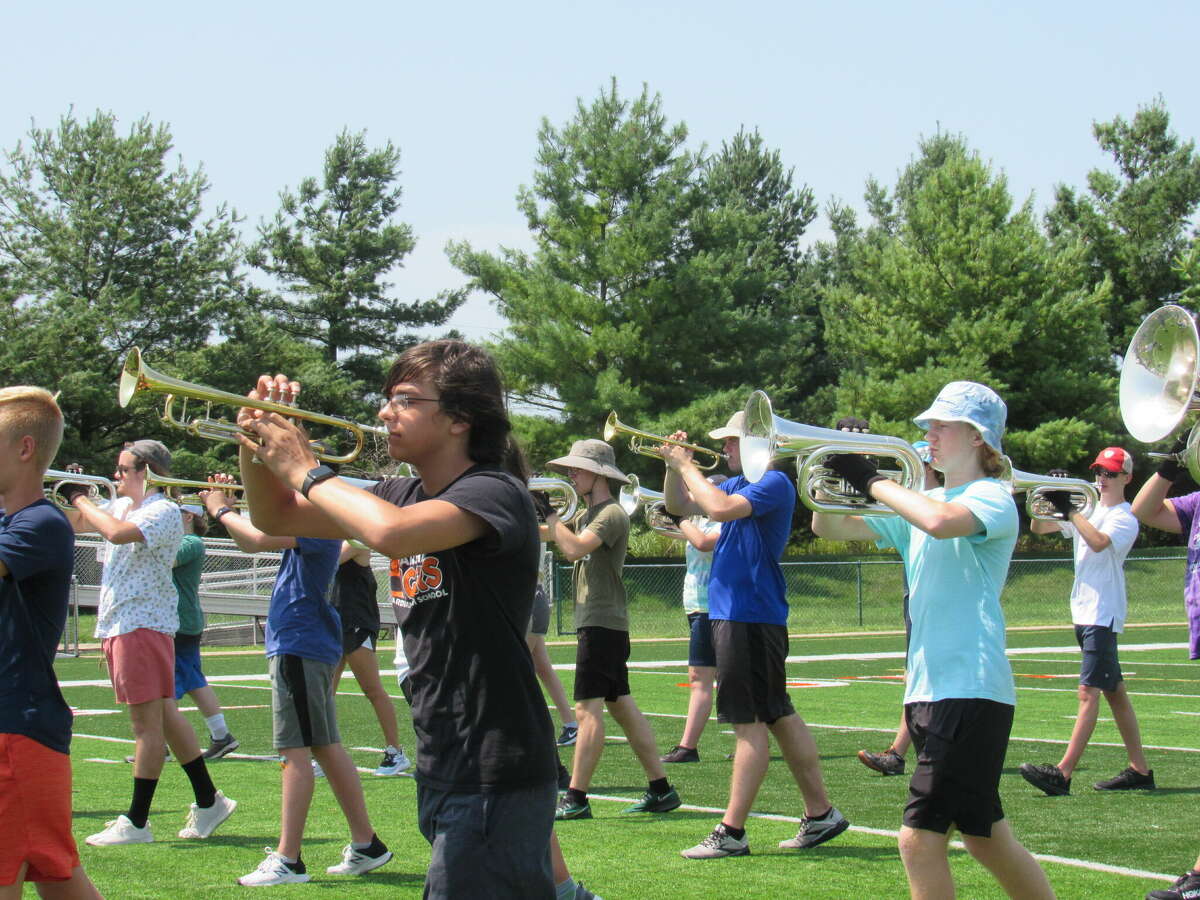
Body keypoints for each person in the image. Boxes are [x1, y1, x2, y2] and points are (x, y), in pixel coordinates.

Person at [234, 340, 557, 898]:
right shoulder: (399, 490)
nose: (385, 412)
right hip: (445, 752)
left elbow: (391, 534)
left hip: (494, 758)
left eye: (405, 400)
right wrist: (257, 439)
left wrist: (305, 465)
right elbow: (271, 516)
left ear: (459, 418)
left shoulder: (495, 492)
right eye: (388, 399)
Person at [812, 381, 1054, 899]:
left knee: (917, 842)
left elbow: (941, 522)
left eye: (942, 425)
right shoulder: (924, 502)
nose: (929, 434)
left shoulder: (992, 497)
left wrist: (872, 477)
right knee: (986, 839)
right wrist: (835, 465)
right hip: (930, 689)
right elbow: (830, 526)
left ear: (977, 436)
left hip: (969, 687)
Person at [661, 411, 848, 860]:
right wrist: (672, 467)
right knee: (779, 714)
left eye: (730, 442)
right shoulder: (734, 483)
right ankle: (821, 814)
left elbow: (718, 511)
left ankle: (732, 831)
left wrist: (687, 465)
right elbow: (680, 507)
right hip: (740, 612)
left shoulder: (774, 483)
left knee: (748, 723)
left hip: (748, 613)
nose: (723, 449)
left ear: (755, 444)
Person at [201, 478, 390, 886]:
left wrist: (220, 508)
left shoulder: (321, 521)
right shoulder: (319, 522)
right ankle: (367, 844)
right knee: (325, 746)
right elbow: (266, 519)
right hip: (305, 640)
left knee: (294, 751)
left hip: (298, 640)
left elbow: (253, 539)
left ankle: (289, 858)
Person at [65, 440, 236, 847]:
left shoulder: (162, 511)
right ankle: (209, 801)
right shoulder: (127, 505)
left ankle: (137, 822)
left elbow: (116, 534)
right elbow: (80, 524)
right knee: (165, 716)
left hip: (141, 623)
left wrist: (79, 496)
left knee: (145, 728)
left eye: (123, 470)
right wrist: (63, 491)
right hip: (126, 622)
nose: (116, 476)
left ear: (147, 473)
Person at [541, 439, 681, 822]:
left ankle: (576, 796)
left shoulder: (611, 514)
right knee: (622, 707)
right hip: (602, 622)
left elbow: (573, 549)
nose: (570, 474)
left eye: (577, 469)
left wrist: (553, 520)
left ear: (599, 474)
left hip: (602, 623)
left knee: (587, 711)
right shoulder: (588, 514)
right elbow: (554, 537)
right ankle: (661, 789)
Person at [0, 387, 103, 900]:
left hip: (15, 728)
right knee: (60, 879)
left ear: (23, 449)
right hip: (18, 728)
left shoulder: (39, 523)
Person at [1018, 446, 1153, 796]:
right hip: (1084, 611)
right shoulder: (1088, 510)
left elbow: (1096, 542)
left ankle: (1062, 773)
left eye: (1110, 473)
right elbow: (1039, 526)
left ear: (1127, 478)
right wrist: (1047, 494)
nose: (1102, 479)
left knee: (1087, 692)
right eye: (1098, 472)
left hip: (1102, 613)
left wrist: (1071, 508)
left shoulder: (1124, 516)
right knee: (1115, 693)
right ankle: (1140, 769)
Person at [857, 438, 939, 778]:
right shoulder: (905, 513)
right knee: (916, 671)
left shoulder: (950, 504)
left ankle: (901, 751)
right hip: (916, 596)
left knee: (925, 672)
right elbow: (828, 528)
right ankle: (899, 751)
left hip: (943, 605)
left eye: (915, 468)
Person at [657, 474, 724, 764]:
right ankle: (753, 736)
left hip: (713, 606)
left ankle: (688, 746)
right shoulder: (699, 519)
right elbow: (685, 532)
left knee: (701, 677)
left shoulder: (725, 519)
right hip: (698, 606)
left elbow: (703, 543)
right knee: (723, 678)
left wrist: (679, 517)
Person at [330, 540, 411, 777]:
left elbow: (330, 561)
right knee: (325, 692)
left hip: (356, 621)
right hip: (335, 620)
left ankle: (395, 752)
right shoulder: (331, 535)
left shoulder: (354, 537)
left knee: (372, 689)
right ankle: (326, 753)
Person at [171, 504, 239, 760]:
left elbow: (162, 559)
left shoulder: (191, 542)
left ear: (189, 516)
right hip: (181, 620)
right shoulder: (187, 541)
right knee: (193, 681)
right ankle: (222, 736)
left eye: (174, 513)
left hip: (180, 621)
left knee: (166, 684)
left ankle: (161, 744)